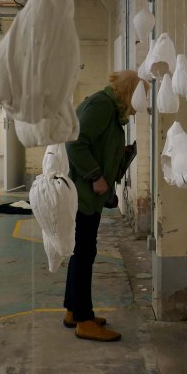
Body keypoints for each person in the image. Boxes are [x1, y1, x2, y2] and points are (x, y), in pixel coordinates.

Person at [63, 70, 139, 342]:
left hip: (89, 195)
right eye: (138, 99)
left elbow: (98, 146)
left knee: (82, 252)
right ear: (129, 93)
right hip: (84, 194)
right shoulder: (102, 106)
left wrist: (121, 157)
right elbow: (74, 141)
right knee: (84, 253)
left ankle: (74, 311)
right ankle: (84, 321)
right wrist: (95, 176)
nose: (137, 108)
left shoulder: (108, 108)